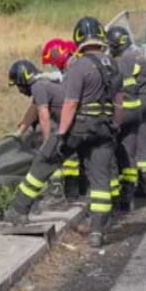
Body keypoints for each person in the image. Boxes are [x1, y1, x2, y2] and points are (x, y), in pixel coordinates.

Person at [4, 17, 120, 248]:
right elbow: (119, 100)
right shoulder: (112, 64)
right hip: (105, 128)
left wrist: (60, 135)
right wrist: (114, 126)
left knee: (45, 161)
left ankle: (19, 209)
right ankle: (97, 231)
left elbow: (70, 103)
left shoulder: (79, 65)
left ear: (78, 38)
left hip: (81, 125)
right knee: (100, 180)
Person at [9, 60, 69, 209]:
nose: (19, 91)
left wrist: (47, 142)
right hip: (72, 123)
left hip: (72, 125)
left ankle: (57, 196)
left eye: (18, 85)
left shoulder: (38, 87)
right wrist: (19, 131)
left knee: (48, 156)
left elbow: (43, 115)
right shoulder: (43, 84)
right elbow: (33, 109)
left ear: (24, 81)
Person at [107, 26, 146, 212]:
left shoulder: (124, 60)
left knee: (116, 152)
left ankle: (118, 196)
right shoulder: (138, 55)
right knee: (137, 148)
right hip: (140, 106)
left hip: (125, 110)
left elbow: (117, 88)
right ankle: (134, 191)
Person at [42, 38, 86, 199]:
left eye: (53, 63)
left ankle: (72, 191)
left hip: (81, 121)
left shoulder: (73, 70)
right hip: (93, 119)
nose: (54, 67)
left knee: (71, 154)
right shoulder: (78, 65)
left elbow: (71, 100)